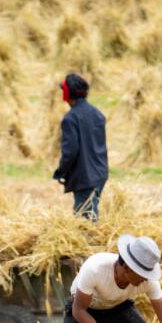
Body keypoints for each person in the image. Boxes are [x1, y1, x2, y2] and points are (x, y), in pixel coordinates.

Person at [52, 73, 108, 220]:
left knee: (85, 221)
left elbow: (70, 152)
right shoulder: (97, 114)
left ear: (67, 94)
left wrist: (61, 172)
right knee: (90, 213)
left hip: (85, 177)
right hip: (100, 173)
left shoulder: (70, 119)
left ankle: (91, 243)